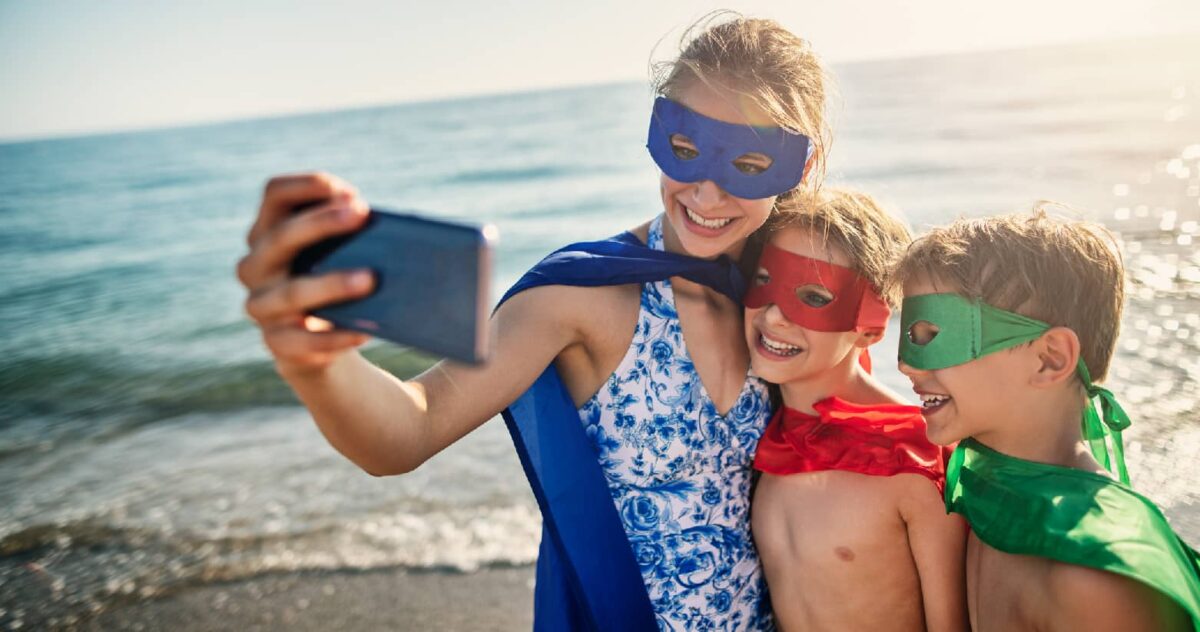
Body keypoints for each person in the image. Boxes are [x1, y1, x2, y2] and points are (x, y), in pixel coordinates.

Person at [236, 13, 831, 630]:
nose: (705, 196)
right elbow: (407, 432)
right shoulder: (583, 298)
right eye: (684, 152)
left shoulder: (788, 304)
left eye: (748, 166)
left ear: (802, 168)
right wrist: (316, 358)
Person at [895, 208, 1200, 631]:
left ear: (1049, 359)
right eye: (910, 336)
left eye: (934, 337)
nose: (905, 366)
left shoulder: (1096, 572)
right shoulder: (981, 489)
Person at [744, 189, 968, 631]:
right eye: (763, 279)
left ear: (870, 326)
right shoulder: (766, 438)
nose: (773, 317)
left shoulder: (914, 460)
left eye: (812, 297)